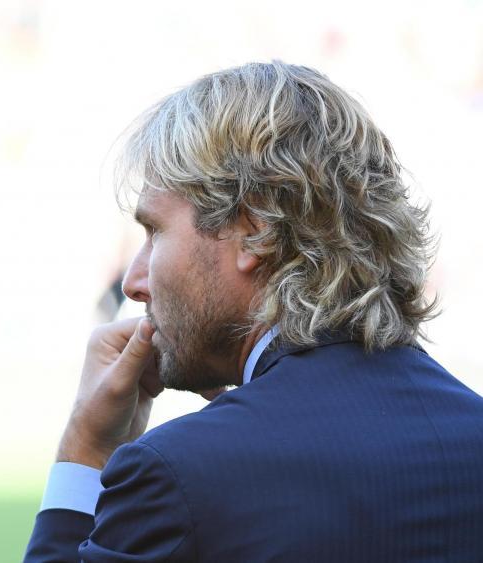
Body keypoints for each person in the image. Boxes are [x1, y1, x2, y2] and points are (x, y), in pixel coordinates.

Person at [25, 61, 483, 561]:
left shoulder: (179, 474)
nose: (135, 282)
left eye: (155, 232)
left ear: (255, 231)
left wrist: (86, 450)